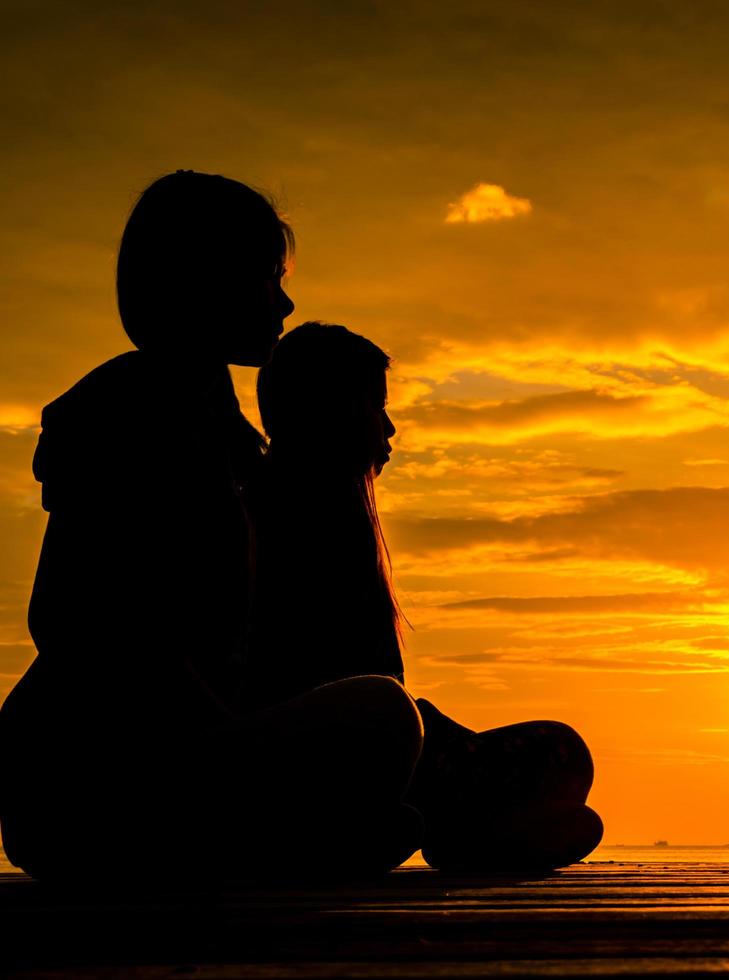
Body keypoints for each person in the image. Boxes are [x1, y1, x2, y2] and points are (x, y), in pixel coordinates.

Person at [0, 172, 423, 882]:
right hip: (90, 792)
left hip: (157, 768)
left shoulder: (219, 436)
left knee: (389, 731)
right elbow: (69, 624)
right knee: (381, 713)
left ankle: (331, 831)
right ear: (203, 280)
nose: (284, 301)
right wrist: (217, 732)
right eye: (266, 277)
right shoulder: (128, 415)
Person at [246, 322, 604, 871]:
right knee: (552, 756)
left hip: (383, 743)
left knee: (562, 752)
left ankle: (475, 828)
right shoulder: (278, 519)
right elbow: (325, 684)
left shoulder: (328, 520)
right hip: (326, 758)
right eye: (374, 406)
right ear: (328, 412)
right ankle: (471, 831)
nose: (388, 427)